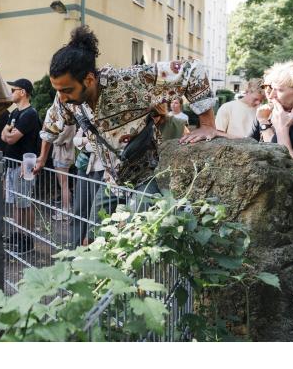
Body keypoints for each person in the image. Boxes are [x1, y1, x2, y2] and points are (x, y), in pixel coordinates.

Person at [33, 26, 217, 223]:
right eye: (58, 90)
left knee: (141, 234)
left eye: (67, 90)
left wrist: (207, 124)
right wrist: (42, 158)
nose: (61, 97)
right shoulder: (65, 98)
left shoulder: (130, 80)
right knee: (94, 233)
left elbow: (192, 70)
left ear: (89, 79)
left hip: (146, 178)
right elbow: (51, 123)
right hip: (113, 182)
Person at [248, 61, 293, 229]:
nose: (271, 95)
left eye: (279, 90)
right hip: (276, 212)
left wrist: (281, 130)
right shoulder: (275, 115)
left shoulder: (282, 122)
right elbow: (250, 147)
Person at [0, 78, 41, 254]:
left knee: (25, 203)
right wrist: (8, 132)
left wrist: (8, 132)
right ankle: (18, 235)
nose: (11, 93)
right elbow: (4, 135)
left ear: (23, 92)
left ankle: (28, 240)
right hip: (12, 164)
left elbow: (10, 138)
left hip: (25, 164)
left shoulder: (30, 114)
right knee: (17, 203)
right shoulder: (15, 112)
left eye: (13, 90)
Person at [69, 128, 105, 247]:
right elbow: (75, 141)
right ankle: (75, 249)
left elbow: (103, 144)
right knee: (79, 209)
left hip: (101, 169)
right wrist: (90, 140)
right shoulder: (84, 119)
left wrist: (85, 142)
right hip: (84, 166)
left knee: (97, 213)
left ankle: (92, 250)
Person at [50, 118, 76, 221]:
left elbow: (58, 140)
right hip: (60, 156)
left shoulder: (70, 124)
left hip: (63, 157)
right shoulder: (67, 123)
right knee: (63, 184)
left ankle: (66, 211)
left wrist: (52, 134)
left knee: (64, 185)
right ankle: (66, 210)